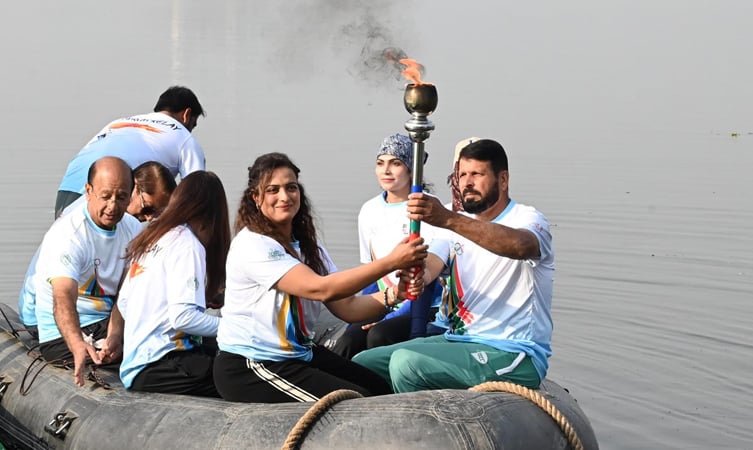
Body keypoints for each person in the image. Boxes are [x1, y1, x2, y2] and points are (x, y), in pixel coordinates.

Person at [213, 152, 428, 403]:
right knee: (356, 402)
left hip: (299, 354)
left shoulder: (309, 247)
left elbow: (347, 307)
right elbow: (320, 289)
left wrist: (395, 294)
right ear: (256, 198)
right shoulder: (254, 244)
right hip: (252, 363)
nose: (284, 197)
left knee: (379, 388)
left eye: (291, 187)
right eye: (273, 190)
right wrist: (391, 262)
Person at [352, 138, 554, 392]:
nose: (466, 183)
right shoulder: (454, 224)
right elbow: (431, 266)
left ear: (503, 180)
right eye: (462, 175)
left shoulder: (528, 218)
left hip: (513, 352)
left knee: (406, 363)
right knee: (364, 363)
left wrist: (448, 219)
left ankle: (418, 418)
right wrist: (414, 274)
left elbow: (520, 246)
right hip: (458, 340)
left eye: (477, 174)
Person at [18, 161, 176, 331]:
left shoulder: (127, 225)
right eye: (148, 208)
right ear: (133, 189)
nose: (150, 218)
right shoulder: (80, 223)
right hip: (45, 316)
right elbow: (62, 293)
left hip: (95, 310)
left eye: (158, 214)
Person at [329, 133, 445, 359]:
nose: (386, 171)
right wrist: (362, 312)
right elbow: (372, 274)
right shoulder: (369, 210)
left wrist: (389, 318)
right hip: (388, 300)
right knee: (349, 341)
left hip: (425, 306)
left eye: (396, 163)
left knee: (378, 335)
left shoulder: (428, 209)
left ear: (411, 169)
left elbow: (428, 281)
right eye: (380, 163)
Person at [116, 171, 231, 397]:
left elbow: (124, 303)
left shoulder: (153, 237)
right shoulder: (189, 245)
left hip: (136, 363)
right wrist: (238, 328)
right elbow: (183, 317)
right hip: (165, 363)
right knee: (239, 371)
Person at [34, 156, 144, 386]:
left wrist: (115, 334)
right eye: (105, 196)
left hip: (105, 322)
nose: (112, 206)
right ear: (88, 191)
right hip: (64, 333)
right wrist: (76, 343)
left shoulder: (133, 228)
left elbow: (126, 293)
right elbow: (63, 296)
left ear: (131, 195)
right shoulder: (69, 235)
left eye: (121, 197)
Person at [54, 85, 206, 217]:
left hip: (69, 186)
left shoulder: (119, 122)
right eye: (193, 125)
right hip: (108, 192)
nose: (190, 130)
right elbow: (196, 193)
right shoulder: (185, 137)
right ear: (186, 115)